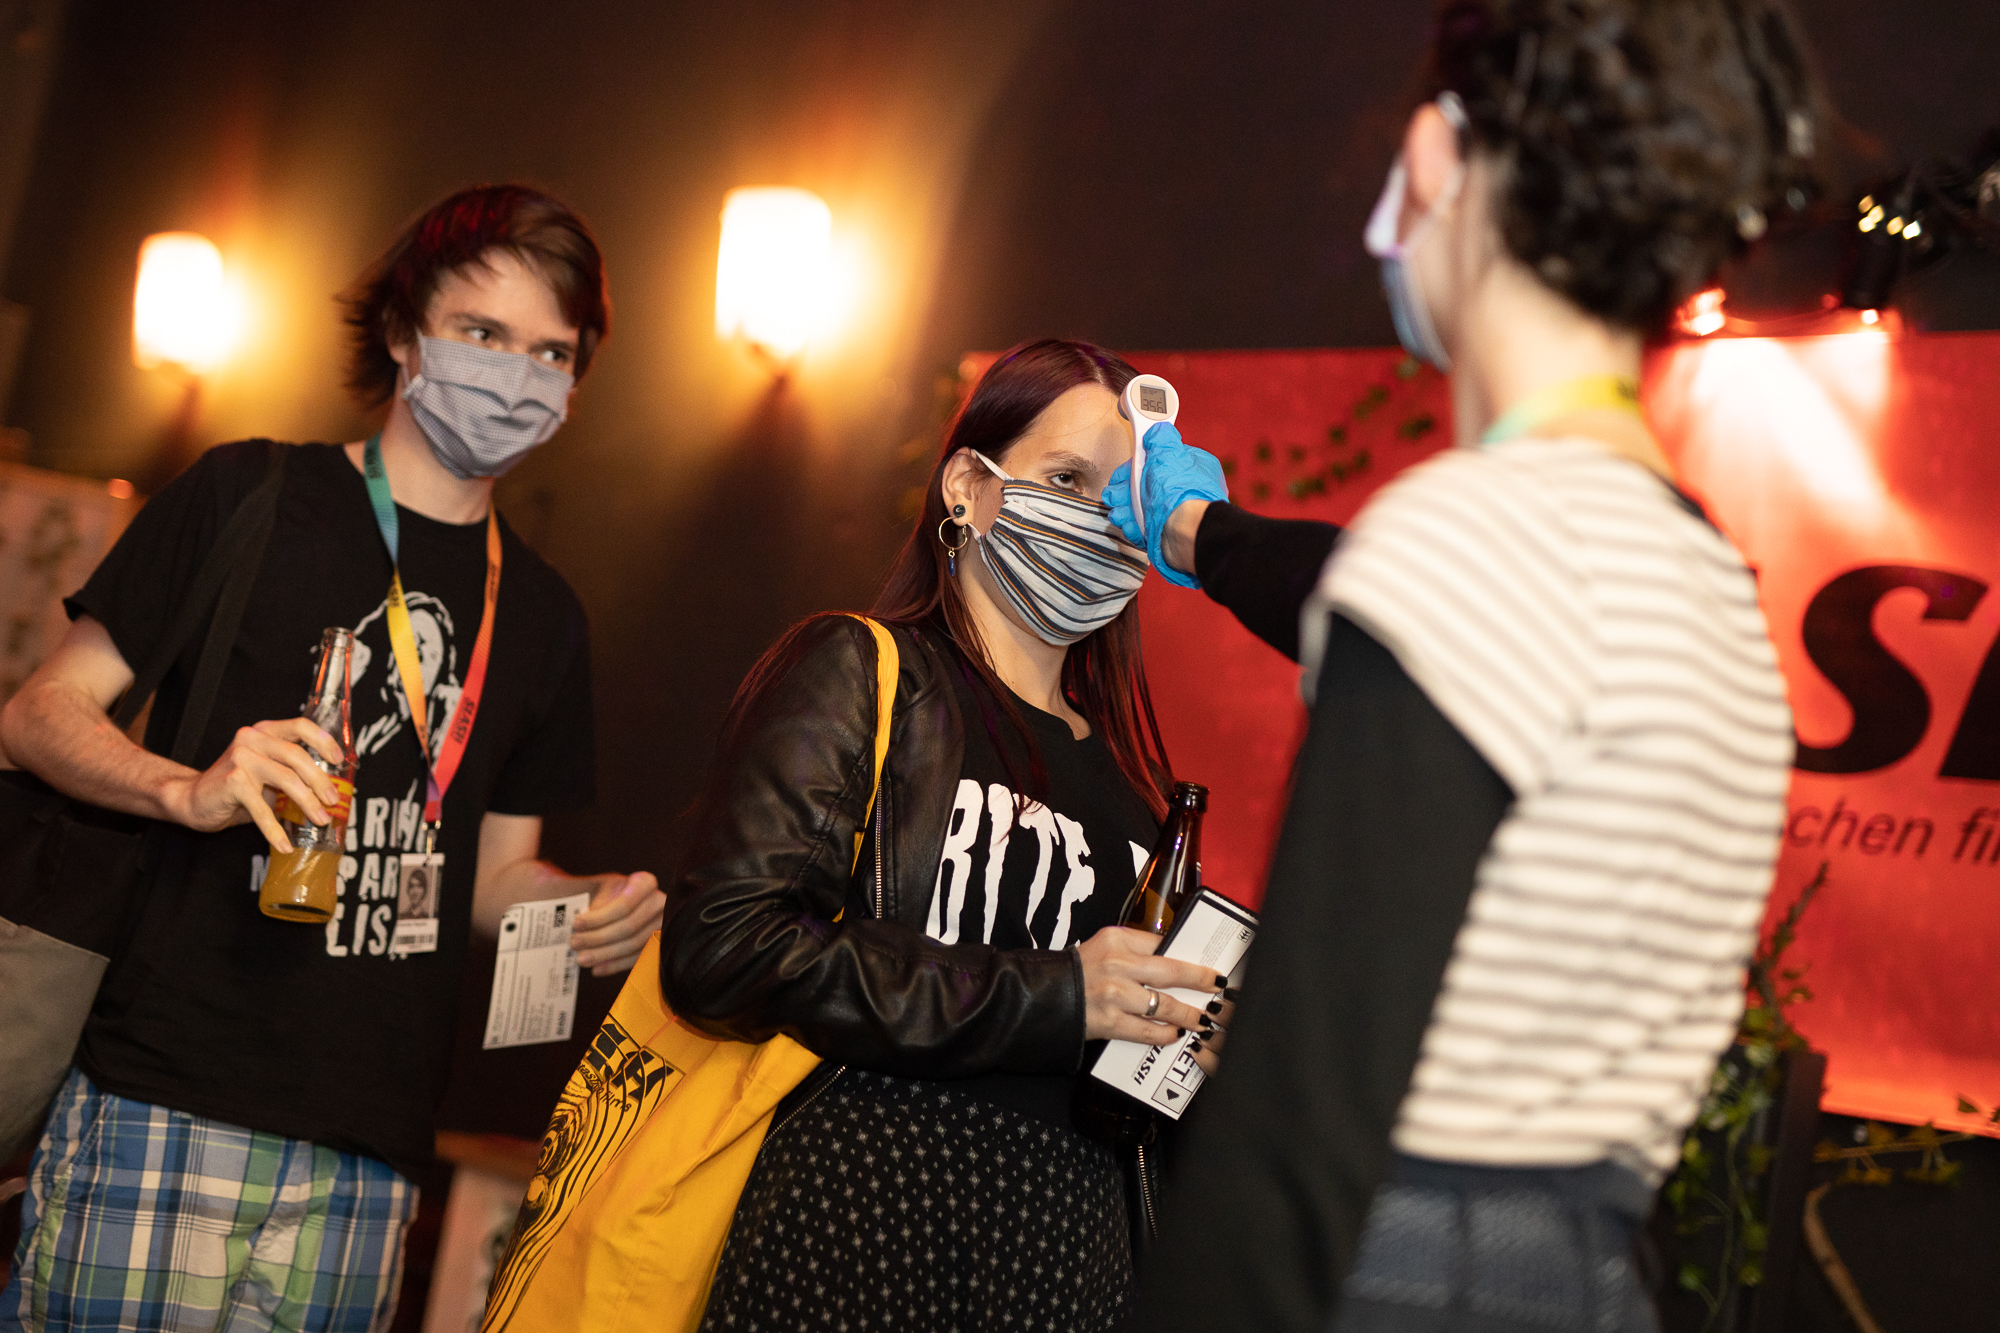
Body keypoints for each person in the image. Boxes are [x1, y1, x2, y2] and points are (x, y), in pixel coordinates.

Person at [1113, 2, 1824, 1329]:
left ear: (1437, 152)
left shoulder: (1466, 537)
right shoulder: (1706, 583)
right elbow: (1416, 612)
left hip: (1398, 1271)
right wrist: (1197, 529)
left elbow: (1294, 1125)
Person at [0, 184, 666, 1331]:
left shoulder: (546, 613)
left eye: (550, 352)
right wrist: (187, 788)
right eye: (482, 333)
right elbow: (38, 714)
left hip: (375, 1147)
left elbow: (496, 873)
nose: (516, 375)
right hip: (168, 1093)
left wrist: (580, 905)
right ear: (403, 332)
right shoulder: (248, 494)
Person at [659, 339, 1228, 1332]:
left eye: (1124, 499)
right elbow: (725, 949)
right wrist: (1058, 993)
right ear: (969, 485)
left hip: (1074, 1265)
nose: (1102, 521)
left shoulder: (1139, 795)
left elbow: (1134, 1083)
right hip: (868, 1221)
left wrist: (1199, 1053)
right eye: (1068, 480)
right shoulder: (866, 671)